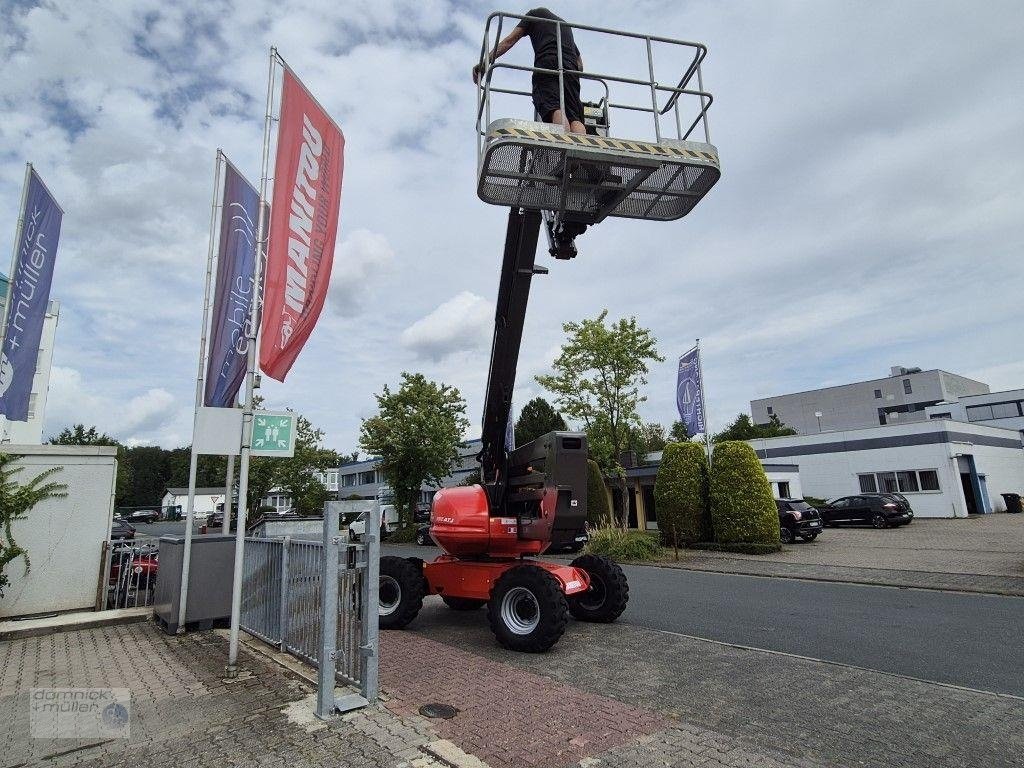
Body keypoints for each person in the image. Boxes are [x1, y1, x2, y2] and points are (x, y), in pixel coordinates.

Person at [473, 8, 589, 258]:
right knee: (575, 115)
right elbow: (581, 64)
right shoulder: (564, 25)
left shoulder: (534, 14)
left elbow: (508, 41)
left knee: (553, 107)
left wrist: (484, 63)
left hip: (548, 65)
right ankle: (585, 156)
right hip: (570, 69)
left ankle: (566, 154)